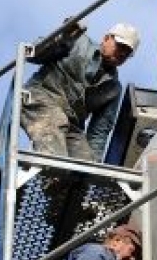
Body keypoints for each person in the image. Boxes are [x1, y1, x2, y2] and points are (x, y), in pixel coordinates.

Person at [21, 22, 140, 160]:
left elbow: (99, 132)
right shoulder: (78, 41)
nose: (123, 53)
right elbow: (32, 54)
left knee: (85, 163)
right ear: (106, 38)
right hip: (38, 98)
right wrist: (61, 38)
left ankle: (65, 173)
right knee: (56, 128)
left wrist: (93, 167)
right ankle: (51, 168)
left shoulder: (113, 89)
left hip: (71, 125)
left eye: (128, 52)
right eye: (120, 46)